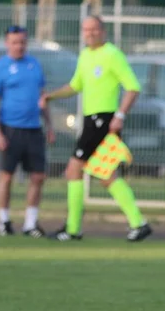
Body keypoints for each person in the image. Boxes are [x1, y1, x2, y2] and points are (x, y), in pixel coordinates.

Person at [40, 16, 151, 242]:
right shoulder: (85, 56)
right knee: (105, 174)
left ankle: (73, 229)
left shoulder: (112, 54)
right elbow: (75, 85)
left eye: (94, 29)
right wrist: (50, 96)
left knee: (74, 169)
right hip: (92, 120)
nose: (89, 33)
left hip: (105, 119)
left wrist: (120, 115)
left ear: (103, 31)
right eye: (86, 29)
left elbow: (133, 87)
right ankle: (138, 223)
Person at [0, 25, 55, 237]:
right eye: (15, 42)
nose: (19, 46)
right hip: (10, 129)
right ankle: (4, 221)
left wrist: (50, 125)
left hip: (33, 129)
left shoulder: (34, 64)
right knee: (7, 177)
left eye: (23, 42)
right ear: (7, 43)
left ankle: (30, 223)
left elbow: (42, 97)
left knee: (38, 176)